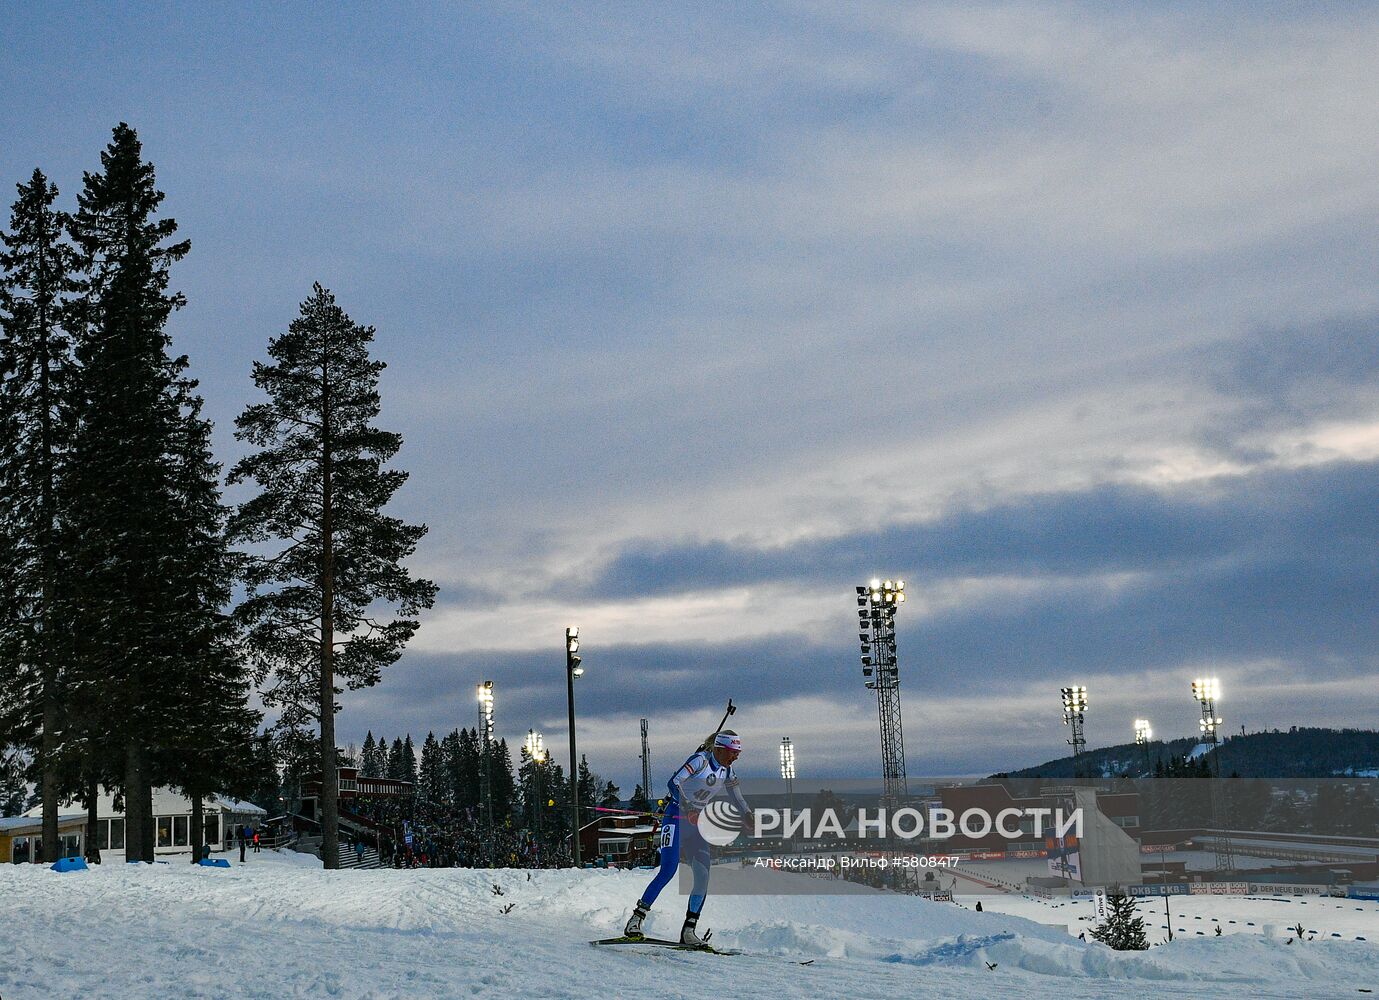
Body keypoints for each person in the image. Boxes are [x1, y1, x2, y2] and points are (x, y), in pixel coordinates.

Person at [622, 730, 748, 946]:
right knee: (668, 871)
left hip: (695, 824)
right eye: (732, 752)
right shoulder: (700, 761)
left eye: (738, 752)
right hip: (675, 817)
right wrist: (687, 804)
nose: (736, 756)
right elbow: (674, 783)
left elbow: (737, 797)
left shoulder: (727, 771)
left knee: (702, 876)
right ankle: (636, 919)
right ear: (720, 749)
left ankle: (689, 931)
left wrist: (747, 814)